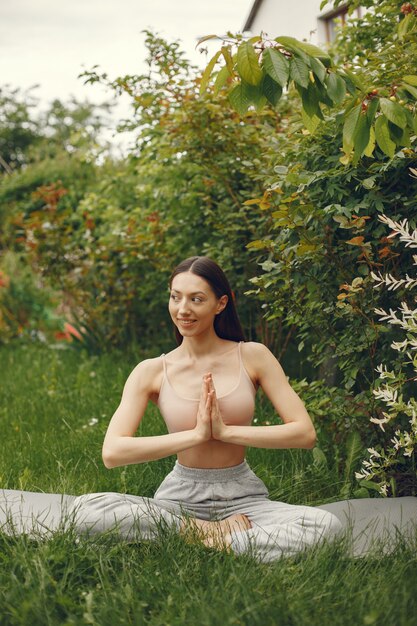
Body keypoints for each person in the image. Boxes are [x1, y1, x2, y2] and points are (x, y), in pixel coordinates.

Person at [69, 256, 342, 562]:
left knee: (327, 527)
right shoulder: (151, 371)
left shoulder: (253, 356)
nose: (183, 309)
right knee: (85, 510)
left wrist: (224, 432)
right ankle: (208, 534)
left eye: (196, 299)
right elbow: (112, 452)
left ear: (220, 304)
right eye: (176, 297)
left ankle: (200, 541)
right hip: (178, 501)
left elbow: (304, 433)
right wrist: (197, 435)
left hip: (244, 500)